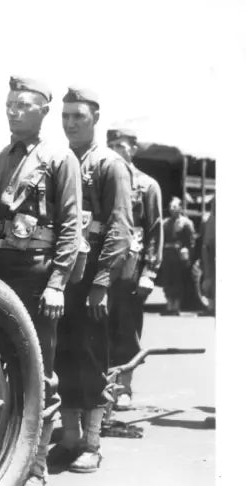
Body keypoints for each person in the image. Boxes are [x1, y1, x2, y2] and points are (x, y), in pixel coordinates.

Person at [0, 76, 82, 486]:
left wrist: (57, 283)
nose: (13, 110)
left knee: (38, 370)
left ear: (42, 111)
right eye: (10, 104)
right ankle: (0, 458)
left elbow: (70, 228)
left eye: (23, 104)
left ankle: (34, 465)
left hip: (36, 276)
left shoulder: (59, 158)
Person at [55, 87, 135, 474]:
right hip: (64, 276)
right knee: (64, 356)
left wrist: (102, 283)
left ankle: (92, 442)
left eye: (78, 117)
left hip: (92, 281)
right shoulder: (60, 160)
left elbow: (121, 228)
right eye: (66, 116)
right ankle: (69, 437)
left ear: (95, 119)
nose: (70, 123)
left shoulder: (110, 165)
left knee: (91, 359)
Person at [106, 128, 164, 410]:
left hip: (132, 267)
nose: (117, 150)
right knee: (98, 326)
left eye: (122, 145)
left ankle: (124, 386)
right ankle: (102, 387)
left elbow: (154, 230)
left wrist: (149, 272)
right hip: (103, 266)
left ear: (133, 150)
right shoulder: (100, 181)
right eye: (112, 145)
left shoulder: (147, 185)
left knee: (126, 328)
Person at [160, 197, 196, 315]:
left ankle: (176, 305)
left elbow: (191, 241)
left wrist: (188, 254)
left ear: (180, 208)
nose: (172, 209)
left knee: (178, 279)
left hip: (178, 254)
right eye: (171, 206)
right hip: (167, 254)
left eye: (174, 206)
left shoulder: (186, 223)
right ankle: (169, 303)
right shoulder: (165, 223)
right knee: (167, 279)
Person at [199, 201, 216, 315]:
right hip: (209, 253)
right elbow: (204, 241)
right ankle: (211, 307)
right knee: (209, 281)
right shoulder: (207, 219)